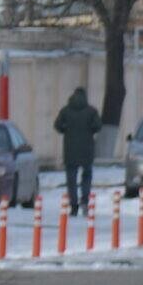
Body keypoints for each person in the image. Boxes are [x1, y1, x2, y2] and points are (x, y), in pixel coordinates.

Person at [54, 86, 104, 214]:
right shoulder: (91, 111)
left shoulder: (66, 111)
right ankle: (85, 201)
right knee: (86, 176)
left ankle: (73, 205)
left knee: (71, 179)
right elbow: (98, 126)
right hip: (87, 149)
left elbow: (57, 125)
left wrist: (66, 129)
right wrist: (89, 130)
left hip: (70, 149)